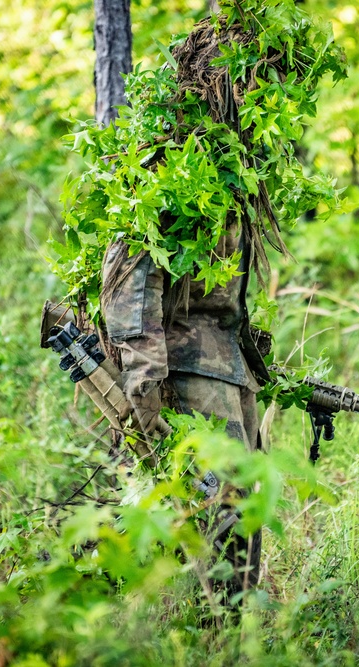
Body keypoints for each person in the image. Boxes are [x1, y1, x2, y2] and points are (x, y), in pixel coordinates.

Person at [98, 210, 269, 600]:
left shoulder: (230, 169)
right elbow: (132, 292)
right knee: (214, 512)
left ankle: (232, 634)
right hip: (187, 376)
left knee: (240, 509)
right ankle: (205, 632)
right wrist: (145, 393)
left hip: (230, 368)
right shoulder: (159, 173)